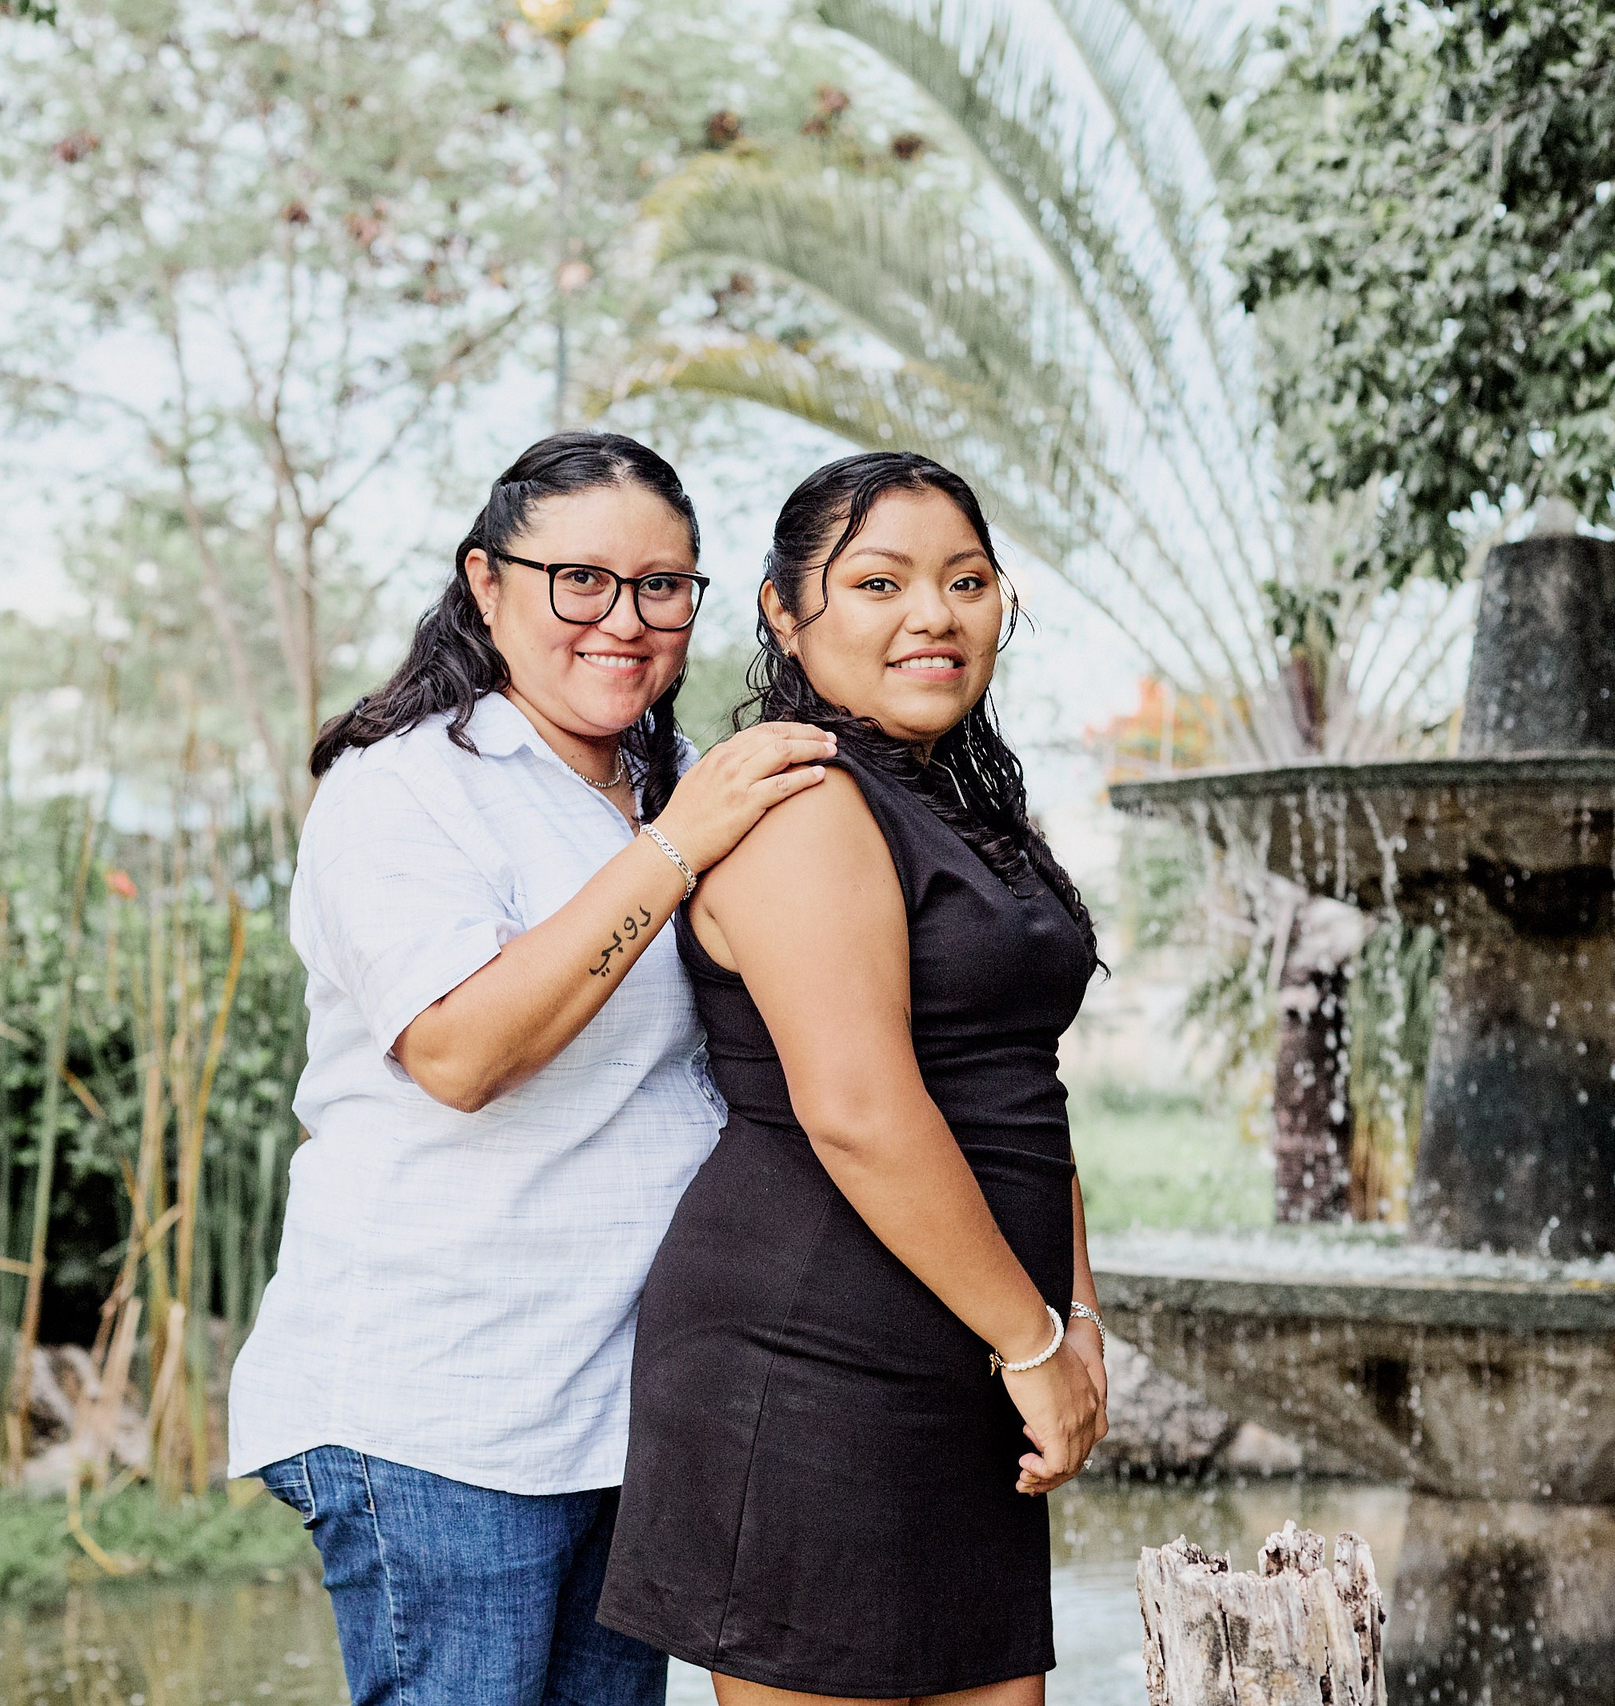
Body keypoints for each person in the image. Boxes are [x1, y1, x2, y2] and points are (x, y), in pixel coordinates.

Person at [227, 431, 837, 1706]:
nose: (623, 619)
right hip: (443, 1405)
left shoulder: (664, 783)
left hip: (623, 1407)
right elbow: (459, 1048)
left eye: (662, 586)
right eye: (581, 580)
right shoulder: (402, 790)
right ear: (487, 583)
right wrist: (675, 848)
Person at [598, 452, 1110, 1705]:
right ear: (783, 611)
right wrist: (1032, 1335)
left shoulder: (964, 803)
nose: (932, 614)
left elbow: (1017, 1090)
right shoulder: (800, 800)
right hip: (814, 1369)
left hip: (970, 1355)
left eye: (966, 580)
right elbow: (859, 1109)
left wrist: (1077, 1319)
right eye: (877, 582)